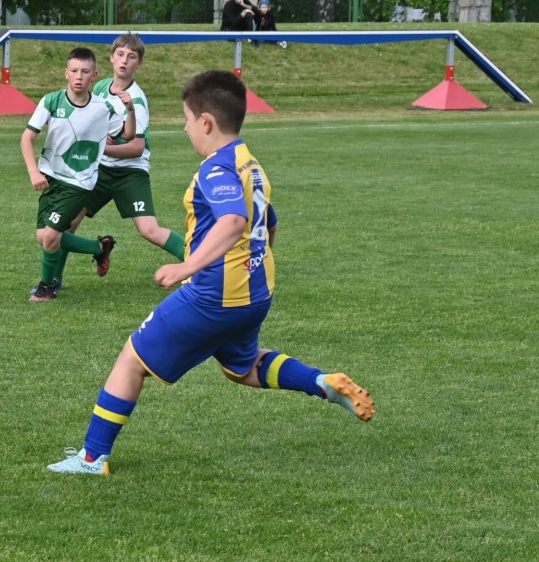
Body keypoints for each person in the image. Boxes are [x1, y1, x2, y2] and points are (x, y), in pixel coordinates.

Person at [47, 70, 375, 475]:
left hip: (213, 295)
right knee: (244, 367)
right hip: (256, 292)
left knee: (130, 361)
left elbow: (234, 220)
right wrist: (256, 259)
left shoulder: (215, 169)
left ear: (206, 122)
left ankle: (92, 458)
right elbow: (268, 222)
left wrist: (187, 266)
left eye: (187, 119)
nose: (185, 128)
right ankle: (321, 383)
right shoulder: (250, 164)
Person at [42, 34, 184, 294]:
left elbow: (137, 147)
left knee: (149, 230)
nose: (124, 61)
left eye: (132, 57)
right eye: (120, 54)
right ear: (111, 57)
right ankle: (51, 281)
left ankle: (200, 265)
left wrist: (102, 146)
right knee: (64, 224)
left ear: (139, 63)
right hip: (98, 171)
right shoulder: (100, 87)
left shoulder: (136, 100)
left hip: (130, 173)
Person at [20, 47, 137, 302]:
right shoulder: (51, 101)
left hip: (80, 182)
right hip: (51, 178)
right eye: (74, 71)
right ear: (66, 73)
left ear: (94, 75)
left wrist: (130, 110)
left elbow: (128, 135)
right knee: (43, 237)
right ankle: (100, 248)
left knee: (51, 236)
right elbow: (27, 137)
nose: (79, 76)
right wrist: (33, 172)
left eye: (85, 72)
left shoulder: (103, 107)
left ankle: (46, 287)